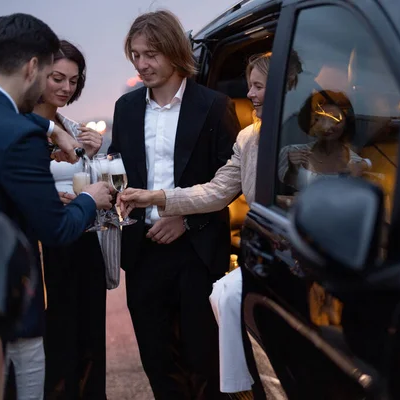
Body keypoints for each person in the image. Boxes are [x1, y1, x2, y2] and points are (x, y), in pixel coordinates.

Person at [0, 13, 112, 400]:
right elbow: (57, 229)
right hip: (8, 299)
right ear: (34, 67)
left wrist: (51, 129)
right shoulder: (18, 140)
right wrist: (89, 198)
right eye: (52, 73)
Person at [117, 51, 302, 397]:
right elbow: (216, 190)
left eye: (259, 87)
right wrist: (157, 198)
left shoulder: (314, 136)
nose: (250, 95)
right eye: (251, 86)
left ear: (286, 87)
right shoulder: (248, 139)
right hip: (269, 259)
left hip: (306, 260)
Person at [108, 10, 240, 399]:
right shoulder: (125, 108)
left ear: (174, 51)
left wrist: (186, 220)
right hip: (143, 251)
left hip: (197, 250)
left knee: (206, 359)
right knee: (157, 360)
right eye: (135, 55)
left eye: (151, 54)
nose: (142, 64)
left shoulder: (215, 105)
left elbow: (229, 181)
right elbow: (119, 168)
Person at [33, 40, 107, 400]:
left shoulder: (75, 127)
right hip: (44, 244)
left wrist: (93, 155)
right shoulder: (20, 127)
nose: (66, 88)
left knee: (90, 335)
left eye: (74, 81)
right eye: (57, 78)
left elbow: (101, 184)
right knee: (55, 338)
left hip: (84, 237)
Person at [278, 89, 371, 191]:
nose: (326, 127)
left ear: (347, 123)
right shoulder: (291, 153)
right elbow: (279, 190)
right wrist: (293, 170)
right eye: (320, 119)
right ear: (311, 122)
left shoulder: (356, 164)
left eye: (335, 119)